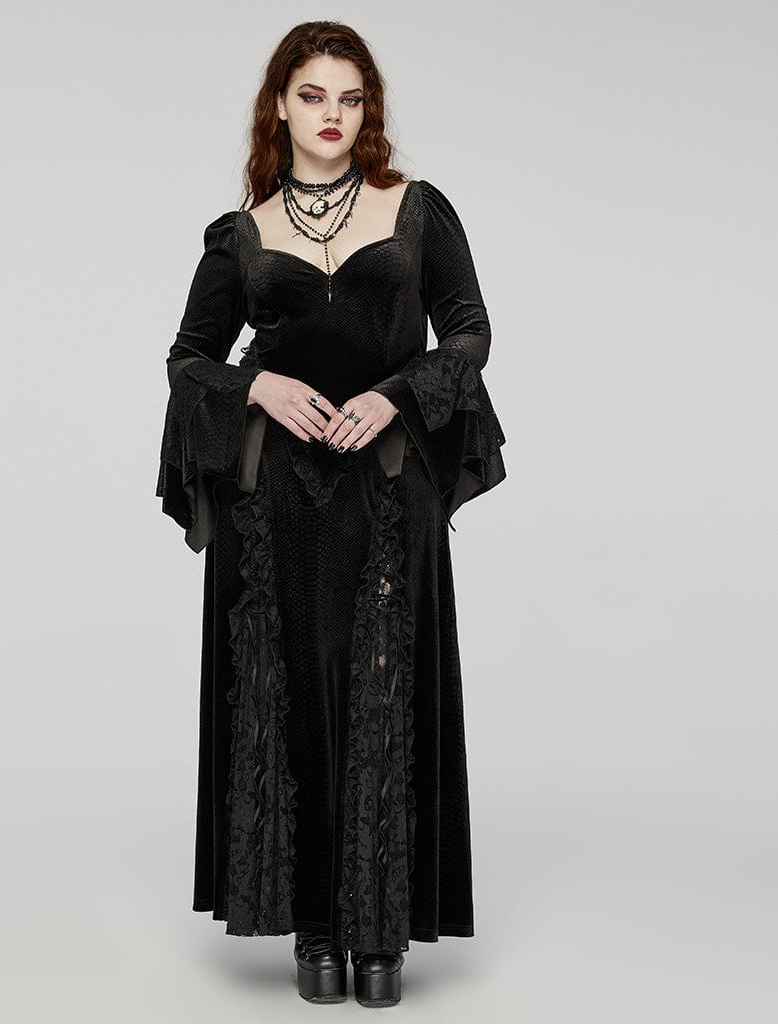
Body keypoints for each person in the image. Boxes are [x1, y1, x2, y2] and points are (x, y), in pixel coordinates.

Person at [154, 20, 507, 1008]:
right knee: (293, 689)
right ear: (280, 105)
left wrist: (396, 395)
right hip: (276, 494)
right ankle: (314, 927)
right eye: (312, 95)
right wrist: (255, 388)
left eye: (350, 99)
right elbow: (187, 358)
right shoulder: (241, 235)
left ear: (368, 110)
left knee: (384, 685)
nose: (332, 116)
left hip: (387, 481)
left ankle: (381, 930)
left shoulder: (416, 209)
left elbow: (469, 330)